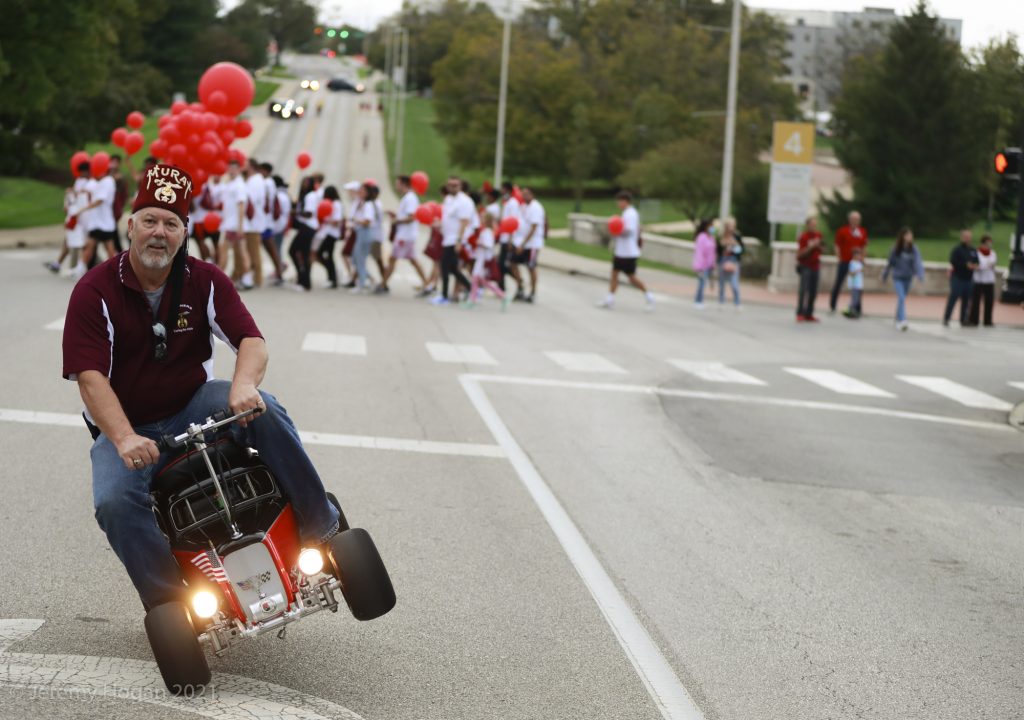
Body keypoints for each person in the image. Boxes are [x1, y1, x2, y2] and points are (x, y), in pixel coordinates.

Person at [61, 163, 341, 611]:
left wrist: (244, 386)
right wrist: (124, 437)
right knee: (113, 500)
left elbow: (251, 341)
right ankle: (170, 602)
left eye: (171, 224)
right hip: (127, 426)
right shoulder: (94, 291)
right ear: (130, 225)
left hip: (195, 405)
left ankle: (322, 528)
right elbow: (90, 378)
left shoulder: (205, 279)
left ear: (184, 232)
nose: (159, 232)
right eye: (150, 220)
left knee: (265, 409)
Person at [598, 191, 654, 310]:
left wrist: (614, 231)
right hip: (620, 251)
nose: (618, 204)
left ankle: (649, 296)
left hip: (628, 252)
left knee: (632, 278)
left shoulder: (631, 214)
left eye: (619, 201)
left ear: (625, 201)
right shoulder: (626, 213)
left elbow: (628, 231)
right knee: (614, 274)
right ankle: (610, 299)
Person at [382, 175, 429, 293]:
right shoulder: (407, 198)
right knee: (412, 260)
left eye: (397, 183)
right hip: (406, 235)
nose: (396, 186)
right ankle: (426, 284)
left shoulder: (410, 198)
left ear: (403, 184)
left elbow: (412, 217)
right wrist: (396, 215)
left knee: (393, 259)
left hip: (405, 236)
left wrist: (396, 221)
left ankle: (383, 284)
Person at [433, 176, 473, 305]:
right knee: (453, 268)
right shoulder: (448, 199)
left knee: (445, 266)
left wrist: (459, 241)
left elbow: (464, 222)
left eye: (456, 185)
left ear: (460, 186)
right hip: (447, 237)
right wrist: (439, 224)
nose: (453, 187)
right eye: (450, 185)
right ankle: (471, 288)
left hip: (455, 239)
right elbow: (447, 217)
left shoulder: (464, 201)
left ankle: (444, 295)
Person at [881, 227, 925, 331]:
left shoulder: (914, 249)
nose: (910, 237)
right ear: (903, 236)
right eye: (908, 235)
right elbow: (890, 263)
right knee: (901, 298)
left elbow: (918, 262)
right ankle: (903, 320)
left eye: (911, 235)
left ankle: (897, 318)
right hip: (898, 277)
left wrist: (920, 274)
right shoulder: (895, 248)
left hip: (908, 278)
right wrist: (885, 275)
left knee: (902, 299)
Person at [216, 160, 251, 288]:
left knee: (225, 250)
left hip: (234, 225)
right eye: (229, 168)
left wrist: (240, 226)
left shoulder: (239, 185)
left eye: (234, 168)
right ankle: (247, 278)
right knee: (240, 251)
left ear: (238, 169)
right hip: (231, 223)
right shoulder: (230, 184)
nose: (231, 171)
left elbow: (241, 205)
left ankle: (219, 278)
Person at [463, 212, 508, 310]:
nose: (481, 219)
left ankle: (473, 299)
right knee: (479, 280)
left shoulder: (487, 231)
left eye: (483, 218)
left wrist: (478, 242)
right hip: (480, 258)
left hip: (483, 260)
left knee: (478, 279)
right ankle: (473, 299)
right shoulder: (485, 231)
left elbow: (488, 245)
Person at [829, 210, 868, 313]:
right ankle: (833, 305)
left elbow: (864, 246)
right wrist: (839, 257)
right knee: (838, 283)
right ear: (850, 220)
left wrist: (863, 259)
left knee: (858, 285)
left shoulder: (862, 232)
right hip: (845, 261)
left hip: (856, 263)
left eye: (858, 219)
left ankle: (857, 307)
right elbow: (837, 245)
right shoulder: (843, 231)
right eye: (854, 219)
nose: (856, 221)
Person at [516, 187, 546, 303]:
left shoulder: (536, 207)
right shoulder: (523, 207)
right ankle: (520, 286)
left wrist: (523, 244)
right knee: (512, 262)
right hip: (521, 242)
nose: (524, 196)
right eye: (523, 194)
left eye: (527, 194)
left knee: (531, 266)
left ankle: (533, 292)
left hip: (532, 244)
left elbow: (533, 227)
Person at [943, 228, 978, 327]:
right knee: (953, 297)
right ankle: (947, 318)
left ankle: (963, 319)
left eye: (969, 237)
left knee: (966, 300)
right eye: (966, 237)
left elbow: (977, 261)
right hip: (957, 278)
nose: (968, 239)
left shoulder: (973, 250)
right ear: (962, 237)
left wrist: (975, 265)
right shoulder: (957, 249)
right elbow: (953, 261)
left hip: (968, 278)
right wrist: (965, 265)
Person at [290, 176, 319, 292]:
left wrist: (295, 212)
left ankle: (304, 280)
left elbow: (309, 214)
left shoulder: (310, 196)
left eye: (307, 182)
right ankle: (303, 279)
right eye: (303, 182)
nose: (304, 185)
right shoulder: (304, 196)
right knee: (301, 253)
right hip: (305, 227)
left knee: (295, 251)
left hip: (308, 227)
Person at [259, 162, 286, 284]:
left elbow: (263, 202)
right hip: (266, 222)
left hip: (265, 223)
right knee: (271, 250)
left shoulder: (267, 183)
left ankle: (279, 273)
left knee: (271, 250)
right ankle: (279, 273)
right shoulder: (270, 183)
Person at [242, 158, 267, 288]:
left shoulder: (256, 180)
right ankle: (254, 276)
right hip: (251, 222)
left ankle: (258, 278)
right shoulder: (252, 180)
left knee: (253, 251)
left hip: (253, 223)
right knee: (250, 250)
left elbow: (252, 200)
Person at [314, 185, 343, 289]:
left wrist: (325, 219)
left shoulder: (336, 204)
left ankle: (333, 276)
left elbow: (337, 220)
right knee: (327, 256)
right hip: (327, 233)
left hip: (332, 234)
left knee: (321, 253)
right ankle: (332, 276)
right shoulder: (329, 204)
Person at [795, 216, 822, 321]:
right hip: (806, 266)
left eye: (815, 225)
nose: (813, 227)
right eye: (812, 225)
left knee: (813, 291)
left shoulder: (818, 235)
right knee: (803, 290)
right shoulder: (804, 237)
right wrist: (811, 247)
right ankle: (800, 312)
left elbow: (823, 248)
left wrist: (818, 245)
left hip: (816, 266)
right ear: (807, 225)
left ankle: (809, 313)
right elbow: (800, 254)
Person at [967, 234, 996, 327]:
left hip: (989, 280)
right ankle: (974, 320)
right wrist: (983, 266)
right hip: (978, 280)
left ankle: (988, 320)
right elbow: (976, 265)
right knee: (976, 301)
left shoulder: (993, 253)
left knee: (989, 301)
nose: (990, 244)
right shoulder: (976, 252)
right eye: (989, 242)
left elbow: (992, 264)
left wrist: (983, 266)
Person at [717, 218, 742, 308]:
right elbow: (718, 250)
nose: (731, 228)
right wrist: (723, 245)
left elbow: (740, 250)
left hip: (733, 260)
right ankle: (721, 301)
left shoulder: (737, 236)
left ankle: (737, 303)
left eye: (732, 225)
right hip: (723, 260)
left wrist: (735, 244)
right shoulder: (721, 236)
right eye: (729, 225)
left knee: (734, 284)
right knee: (722, 283)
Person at [843, 246, 865, 319]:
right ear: (854, 255)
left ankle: (852, 311)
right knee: (854, 299)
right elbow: (851, 273)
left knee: (857, 299)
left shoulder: (859, 263)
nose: (859, 256)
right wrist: (857, 271)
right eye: (858, 255)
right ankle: (849, 311)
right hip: (854, 284)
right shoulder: (852, 263)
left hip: (859, 284)